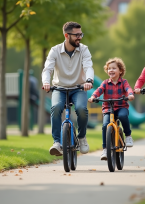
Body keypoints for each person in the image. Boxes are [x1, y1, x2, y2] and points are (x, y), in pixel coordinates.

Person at [42, 21, 94, 156]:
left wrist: (89, 80)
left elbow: (88, 66)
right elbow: (47, 69)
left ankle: (82, 137)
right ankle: (57, 142)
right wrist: (46, 82)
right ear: (66, 35)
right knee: (56, 108)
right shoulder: (55, 50)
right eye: (76, 35)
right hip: (59, 88)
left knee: (82, 109)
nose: (80, 37)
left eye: (80, 34)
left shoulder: (84, 49)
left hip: (79, 88)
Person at [88, 57, 134, 160]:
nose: (111, 70)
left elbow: (128, 89)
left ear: (120, 71)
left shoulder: (123, 82)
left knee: (123, 116)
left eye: (114, 68)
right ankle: (105, 149)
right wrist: (93, 97)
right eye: (109, 68)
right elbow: (99, 90)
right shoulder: (105, 83)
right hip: (108, 108)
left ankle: (128, 136)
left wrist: (130, 94)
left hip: (121, 106)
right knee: (105, 126)